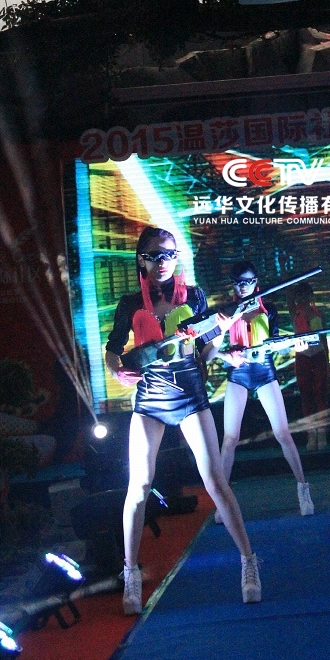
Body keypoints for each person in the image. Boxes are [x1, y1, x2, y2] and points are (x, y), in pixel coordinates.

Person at [104, 227, 261, 612]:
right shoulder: (130, 303)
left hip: (190, 394)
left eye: (170, 255)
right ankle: (130, 573)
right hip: (150, 398)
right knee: (138, 487)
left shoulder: (193, 296)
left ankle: (249, 562)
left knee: (216, 482)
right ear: (141, 259)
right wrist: (118, 372)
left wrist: (221, 331)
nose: (163, 262)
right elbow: (112, 351)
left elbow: (205, 353)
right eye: (155, 255)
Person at [208, 260, 314, 517]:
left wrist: (294, 345)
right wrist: (226, 355)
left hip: (265, 372)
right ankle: (222, 503)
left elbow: (274, 342)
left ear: (256, 282)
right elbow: (208, 350)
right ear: (233, 285)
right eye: (239, 283)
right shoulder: (225, 312)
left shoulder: (269, 308)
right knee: (229, 440)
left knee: (283, 433)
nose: (244, 287)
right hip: (238, 374)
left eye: (249, 281)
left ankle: (303, 488)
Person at [286, 282, 329, 451]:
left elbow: (324, 339)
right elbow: (288, 294)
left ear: (311, 296)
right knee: (306, 396)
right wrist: (284, 270)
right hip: (303, 356)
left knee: (320, 395)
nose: (303, 298)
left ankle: (322, 434)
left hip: (318, 355)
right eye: (300, 295)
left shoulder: (319, 313)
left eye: (306, 294)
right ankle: (311, 434)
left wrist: (327, 361)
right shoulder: (294, 312)